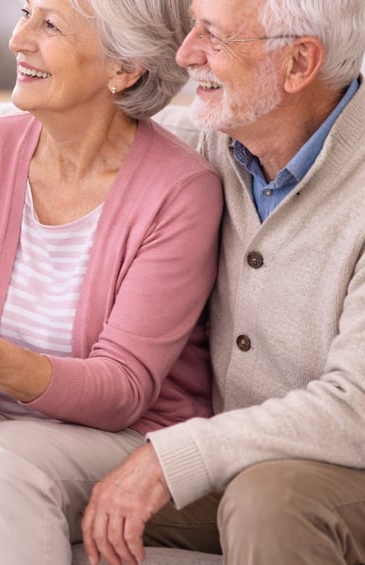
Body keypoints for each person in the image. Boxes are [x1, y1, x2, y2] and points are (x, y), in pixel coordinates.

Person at [0, 0, 223, 563]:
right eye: (25, 11)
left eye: (50, 23)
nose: (18, 39)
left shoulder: (181, 190)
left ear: (123, 68)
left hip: (125, 435)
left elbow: (123, 390)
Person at [80, 0, 365, 564]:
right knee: (30, 473)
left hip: (340, 468)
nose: (186, 55)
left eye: (212, 35)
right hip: (237, 455)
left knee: (268, 500)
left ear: (298, 62)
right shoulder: (208, 148)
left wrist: (175, 456)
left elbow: (357, 407)